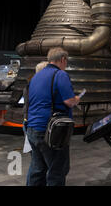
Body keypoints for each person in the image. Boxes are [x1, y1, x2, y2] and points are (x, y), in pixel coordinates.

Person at [24, 48, 80, 186]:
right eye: (66, 61)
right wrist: (76, 99)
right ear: (62, 59)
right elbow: (69, 101)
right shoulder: (60, 75)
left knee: (37, 169)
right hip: (51, 132)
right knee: (57, 171)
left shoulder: (36, 76)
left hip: (32, 129)